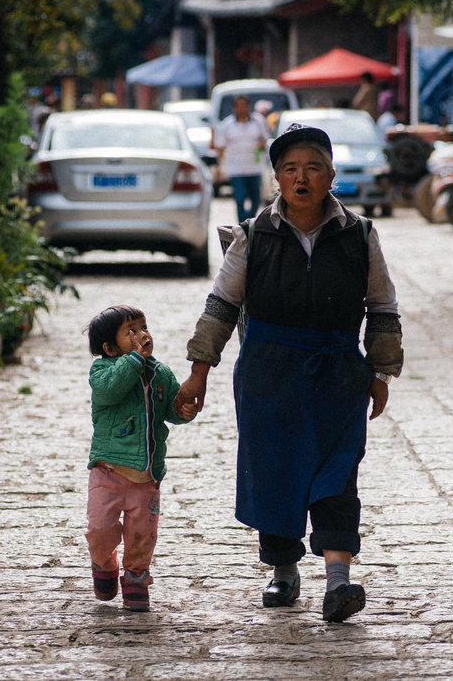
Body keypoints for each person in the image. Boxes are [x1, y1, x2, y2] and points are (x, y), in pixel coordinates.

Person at [178, 122, 403, 623]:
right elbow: (221, 304)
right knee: (274, 471)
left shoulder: (360, 234)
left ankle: (339, 582)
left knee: (337, 470)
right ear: (277, 178)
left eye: (313, 168)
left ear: (331, 176)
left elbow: (382, 303)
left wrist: (381, 371)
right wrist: (199, 372)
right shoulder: (252, 235)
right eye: (290, 169)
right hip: (268, 373)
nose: (302, 178)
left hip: (338, 371)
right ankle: (283, 569)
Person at [84, 305, 198, 611]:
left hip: (146, 475)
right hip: (107, 471)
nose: (141, 335)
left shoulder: (160, 372)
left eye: (143, 327)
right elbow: (111, 390)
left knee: (142, 533)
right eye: (130, 331)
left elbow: (169, 409)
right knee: (100, 529)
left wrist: (182, 410)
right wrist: (134, 359)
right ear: (109, 348)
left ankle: (136, 576)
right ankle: (104, 562)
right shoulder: (102, 372)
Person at [214, 95, 271, 222]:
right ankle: (243, 225)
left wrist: (260, 145)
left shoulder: (258, 121)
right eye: (238, 106)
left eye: (244, 106)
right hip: (236, 169)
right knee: (239, 198)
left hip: (254, 168)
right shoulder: (227, 125)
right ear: (234, 108)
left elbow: (265, 138)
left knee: (256, 199)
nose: (241, 109)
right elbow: (220, 147)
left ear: (248, 106)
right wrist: (219, 167)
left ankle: (250, 221)